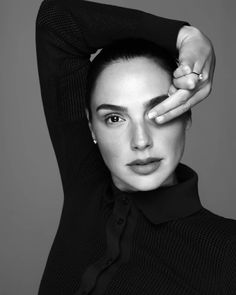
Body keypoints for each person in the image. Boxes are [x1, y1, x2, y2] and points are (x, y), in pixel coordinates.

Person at [35, 0, 235, 294]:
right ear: (91, 128)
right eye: (115, 118)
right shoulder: (87, 188)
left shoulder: (227, 251)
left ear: (186, 113)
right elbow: (57, 21)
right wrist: (185, 36)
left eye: (158, 112)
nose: (140, 141)